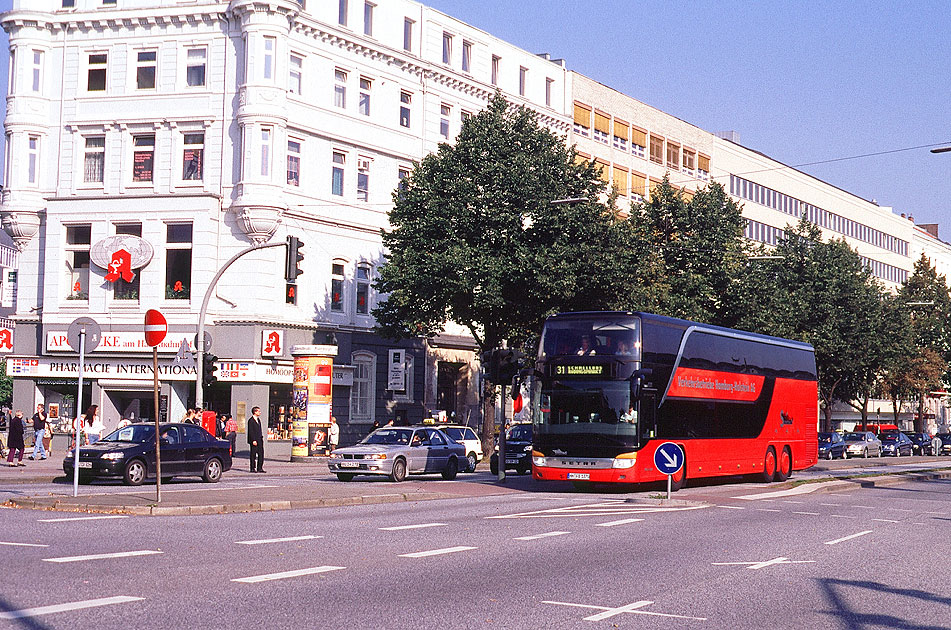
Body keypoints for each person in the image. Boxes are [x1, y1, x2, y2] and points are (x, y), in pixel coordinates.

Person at [247, 406, 265, 473]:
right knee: (253, 454)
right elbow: (251, 431)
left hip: (259, 439)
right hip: (254, 440)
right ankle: (252, 468)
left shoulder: (258, 420)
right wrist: (253, 440)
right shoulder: (251, 420)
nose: (260, 412)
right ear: (255, 412)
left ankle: (259, 468)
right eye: (258, 411)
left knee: (261, 454)